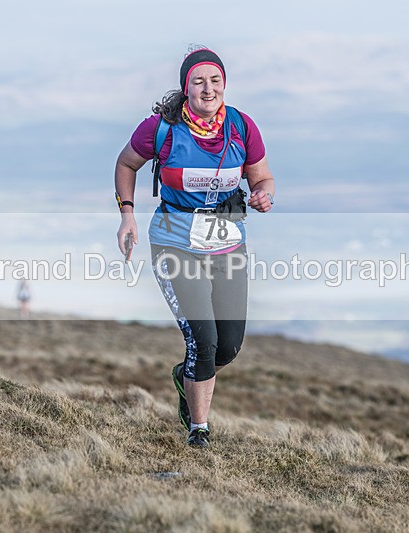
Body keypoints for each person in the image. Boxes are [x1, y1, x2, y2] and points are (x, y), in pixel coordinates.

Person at [114, 47, 275, 447]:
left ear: (225, 84)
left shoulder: (241, 126)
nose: (208, 89)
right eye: (199, 81)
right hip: (175, 242)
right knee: (203, 342)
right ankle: (198, 430)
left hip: (227, 244)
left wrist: (263, 195)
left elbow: (262, 178)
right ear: (186, 87)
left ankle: (185, 374)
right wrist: (127, 214)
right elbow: (126, 164)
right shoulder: (160, 129)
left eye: (215, 80)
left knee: (228, 346)